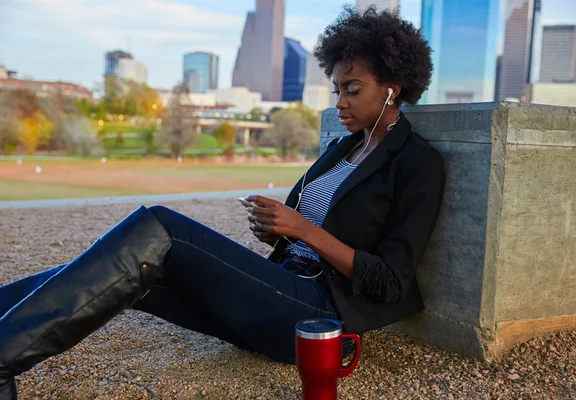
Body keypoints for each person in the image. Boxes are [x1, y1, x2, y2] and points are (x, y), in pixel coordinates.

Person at [0, 6, 444, 399]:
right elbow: (304, 229)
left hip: (320, 314)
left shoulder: (416, 162)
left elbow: (389, 281)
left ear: (392, 87)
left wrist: (302, 229)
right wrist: (275, 228)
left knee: (162, 227)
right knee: (127, 270)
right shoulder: (344, 148)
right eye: (336, 90)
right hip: (279, 285)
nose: (340, 103)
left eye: (352, 89)